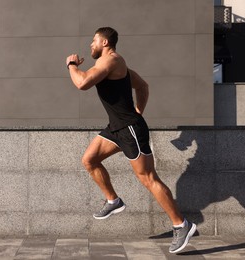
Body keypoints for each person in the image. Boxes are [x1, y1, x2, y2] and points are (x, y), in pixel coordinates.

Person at [65, 27, 196, 254]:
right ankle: (113, 201)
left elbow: (82, 83)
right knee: (89, 159)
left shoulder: (111, 61)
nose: (90, 44)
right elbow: (142, 86)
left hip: (129, 129)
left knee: (148, 178)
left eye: (94, 40)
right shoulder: (115, 66)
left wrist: (72, 65)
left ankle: (181, 225)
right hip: (117, 128)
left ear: (105, 42)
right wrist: (138, 111)